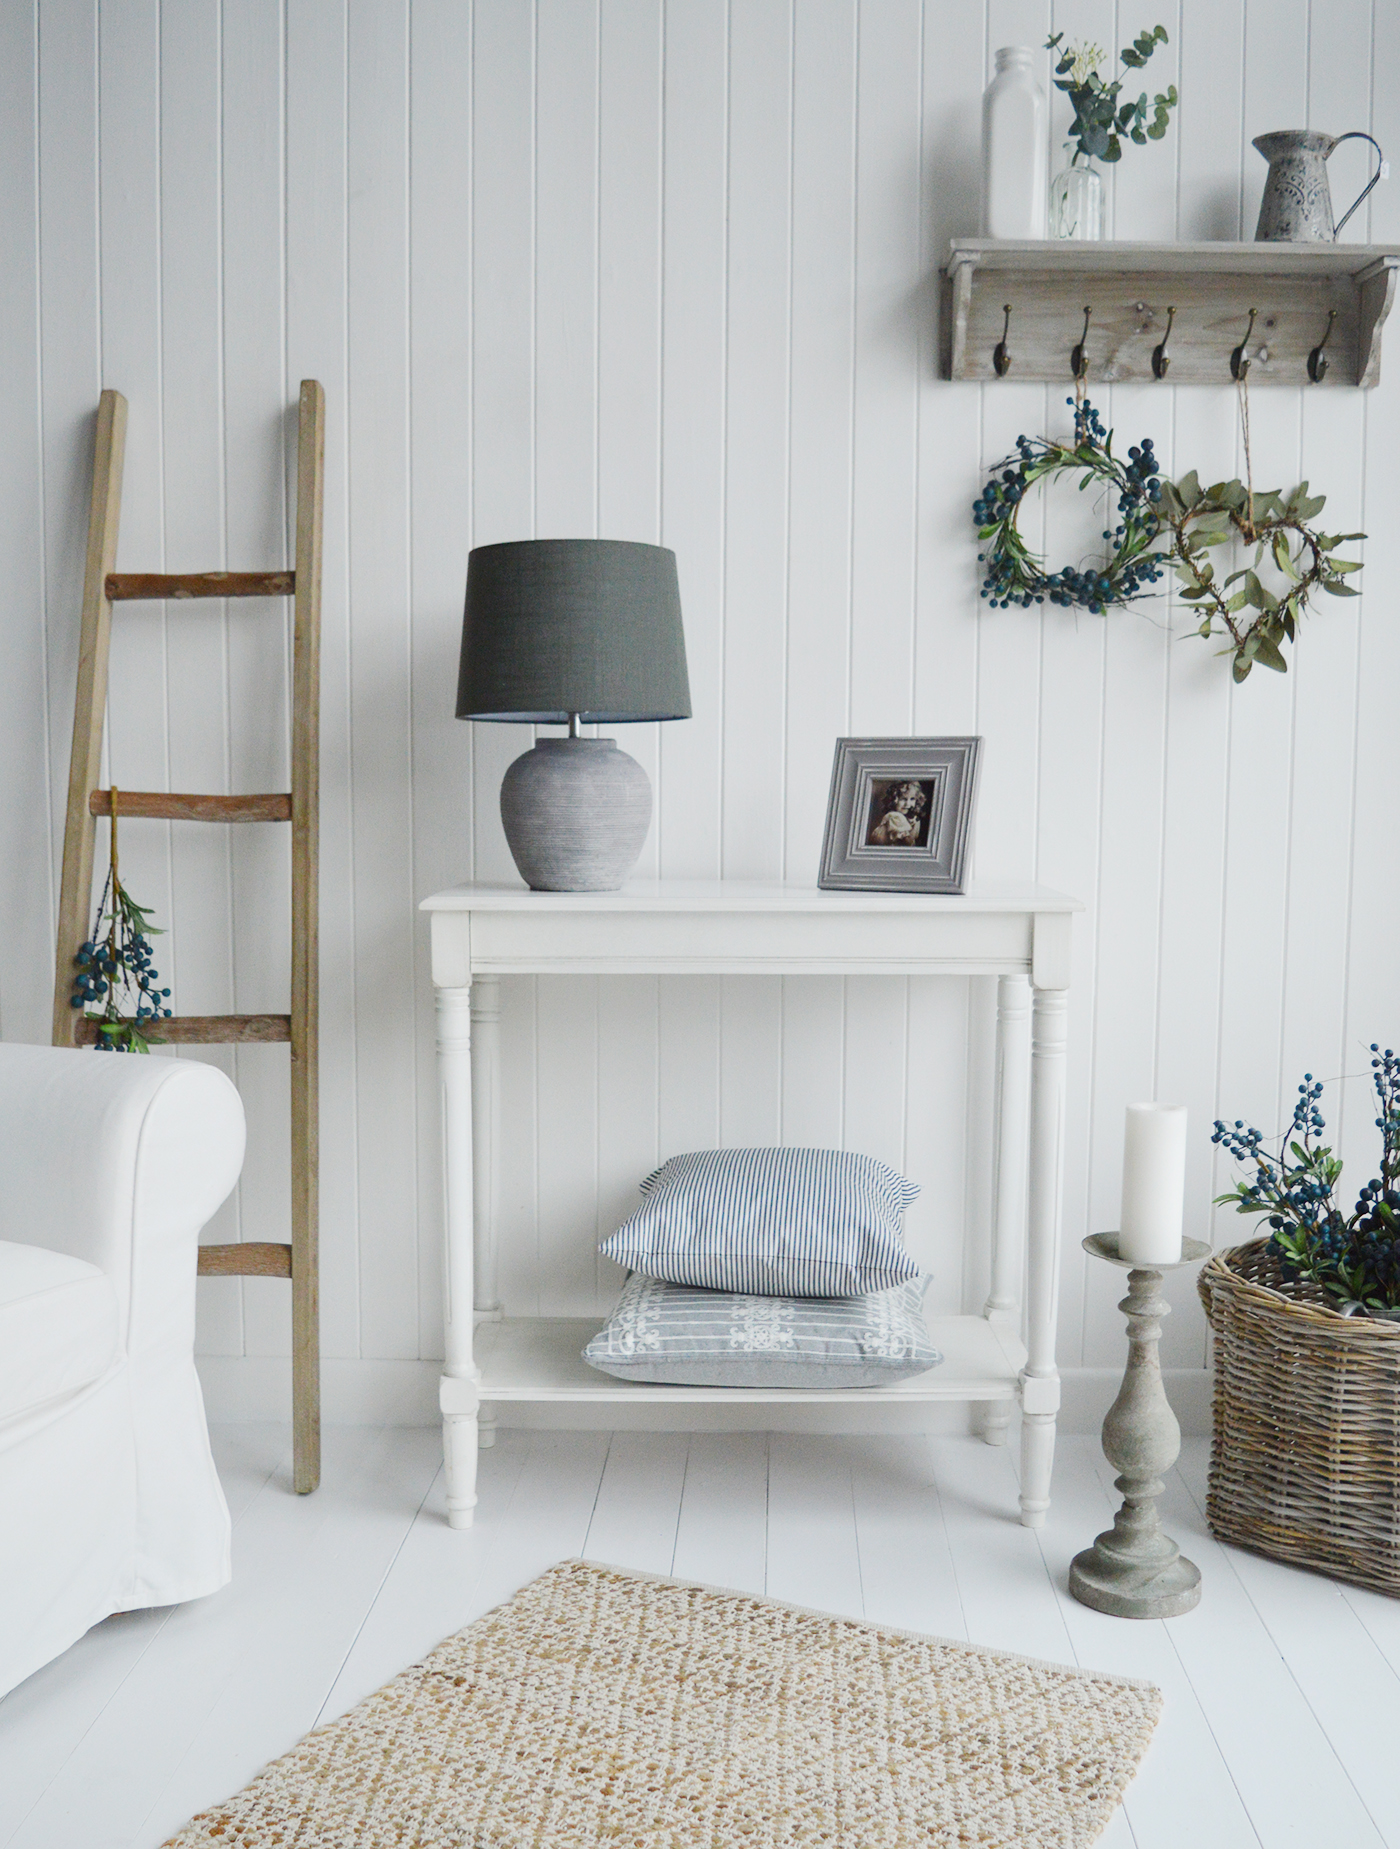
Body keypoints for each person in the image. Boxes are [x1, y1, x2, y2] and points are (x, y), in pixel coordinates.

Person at [868, 780, 928, 847]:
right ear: (894, 800)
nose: (907, 804)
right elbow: (908, 843)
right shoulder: (895, 817)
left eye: (912, 799)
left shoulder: (911, 819)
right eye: (903, 799)